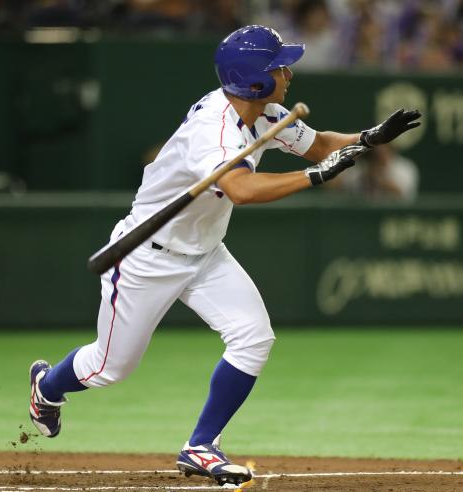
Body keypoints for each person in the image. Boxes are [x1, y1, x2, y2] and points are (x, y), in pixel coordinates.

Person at [28, 25, 421, 486]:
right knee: (109, 368)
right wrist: (315, 177)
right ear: (254, 78)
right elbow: (242, 188)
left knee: (254, 337)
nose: (288, 72)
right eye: (279, 65)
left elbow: (317, 145)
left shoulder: (265, 111)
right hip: (145, 258)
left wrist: (369, 137)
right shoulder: (213, 131)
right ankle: (46, 388)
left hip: (205, 253)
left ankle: (200, 445)